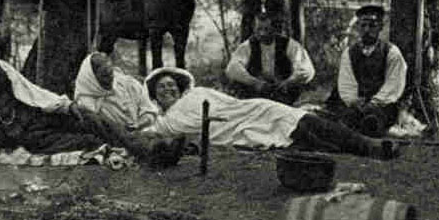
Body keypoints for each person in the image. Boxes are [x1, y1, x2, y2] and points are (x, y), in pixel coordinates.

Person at [0, 26, 184, 167]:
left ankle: (150, 150)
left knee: (86, 116)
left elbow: (32, 92)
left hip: (35, 120)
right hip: (19, 139)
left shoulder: (0, 68)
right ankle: (144, 152)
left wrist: (65, 105)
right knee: (86, 140)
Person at [142, 66, 399, 159]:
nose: (168, 89)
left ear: (180, 87)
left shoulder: (198, 94)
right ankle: (364, 147)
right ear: (155, 96)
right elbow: (145, 132)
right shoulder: (166, 122)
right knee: (308, 140)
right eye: (162, 88)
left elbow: (228, 102)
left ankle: (370, 145)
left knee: (302, 121)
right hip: (237, 131)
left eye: (171, 85)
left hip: (248, 111)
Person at [325, 4, 407, 137]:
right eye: (363, 25)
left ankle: (371, 126)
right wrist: (353, 101)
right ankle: (353, 128)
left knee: (378, 117)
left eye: (372, 25)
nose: (367, 30)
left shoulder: (391, 52)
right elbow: (346, 81)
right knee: (347, 116)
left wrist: (375, 102)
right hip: (357, 103)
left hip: (382, 104)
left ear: (381, 27)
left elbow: (394, 83)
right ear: (358, 27)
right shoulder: (349, 53)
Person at [225, 11, 315, 105]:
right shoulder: (248, 46)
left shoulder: (288, 44)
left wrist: (288, 82)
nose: (263, 33)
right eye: (259, 29)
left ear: (274, 29)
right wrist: (255, 83)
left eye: (267, 29)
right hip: (256, 96)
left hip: (283, 95)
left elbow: (307, 70)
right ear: (254, 29)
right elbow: (232, 69)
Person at [73, 51, 158, 131]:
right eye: (104, 76)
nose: (110, 79)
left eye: (111, 73)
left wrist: (139, 124)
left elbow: (150, 111)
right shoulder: (86, 102)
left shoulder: (128, 84)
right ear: (92, 79)